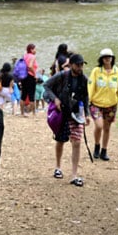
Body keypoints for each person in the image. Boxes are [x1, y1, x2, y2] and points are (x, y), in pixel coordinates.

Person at [43, 53, 91, 187]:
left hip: (77, 113)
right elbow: (46, 86)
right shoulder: (62, 76)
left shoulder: (84, 79)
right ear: (71, 65)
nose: (80, 67)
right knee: (60, 140)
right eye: (78, 65)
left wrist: (87, 114)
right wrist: (55, 99)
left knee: (77, 142)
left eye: (82, 65)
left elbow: (86, 97)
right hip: (61, 113)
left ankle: (74, 175)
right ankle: (58, 167)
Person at [88, 48, 118, 161]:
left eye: (109, 57)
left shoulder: (117, 72)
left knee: (107, 128)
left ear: (112, 58)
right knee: (99, 126)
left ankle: (104, 150)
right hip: (96, 104)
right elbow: (91, 86)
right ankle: (96, 146)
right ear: (101, 59)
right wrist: (88, 100)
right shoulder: (96, 71)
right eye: (105, 57)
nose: (107, 59)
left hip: (111, 105)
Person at [21, 43, 38, 118]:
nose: (35, 50)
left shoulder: (24, 56)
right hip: (30, 76)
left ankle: (22, 112)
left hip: (23, 76)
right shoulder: (33, 56)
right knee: (31, 94)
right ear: (31, 49)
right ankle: (34, 113)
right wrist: (35, 74)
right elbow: (30, 66)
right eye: (34, 49)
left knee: (23, 94)